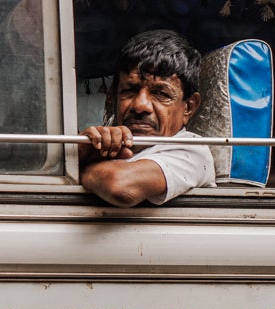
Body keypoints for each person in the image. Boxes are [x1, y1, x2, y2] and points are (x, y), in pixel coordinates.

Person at [79, 29, 214, 206]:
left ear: (188, 107)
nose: (140, 106)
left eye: (160, 93)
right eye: (129, 91)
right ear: (112, 98)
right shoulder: (106, 142)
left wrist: (79, 168)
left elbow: (121, 187)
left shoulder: (193, 150)